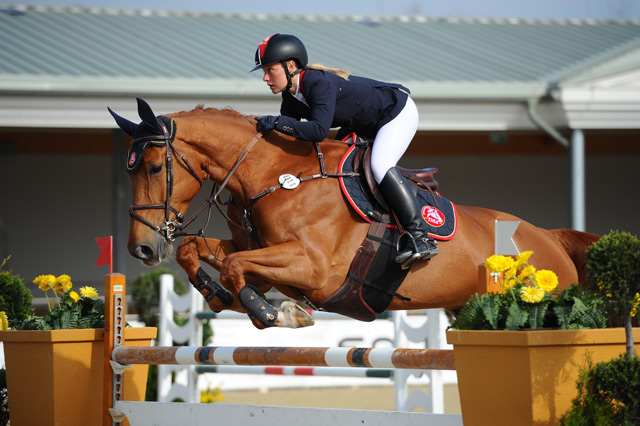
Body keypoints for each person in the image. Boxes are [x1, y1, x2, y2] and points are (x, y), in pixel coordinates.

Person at [251, 33, 438, 266]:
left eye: (270, 70)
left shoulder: (317, 82)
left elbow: (318, 130)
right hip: (362, 124)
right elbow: (291, 137)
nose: (265, 78)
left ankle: (420, 237)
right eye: (264, 72)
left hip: (395, 113)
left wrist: (276, 122)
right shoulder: (292, 97)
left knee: (380, 165)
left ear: (290, 66)